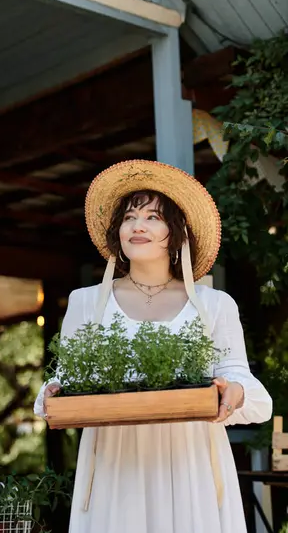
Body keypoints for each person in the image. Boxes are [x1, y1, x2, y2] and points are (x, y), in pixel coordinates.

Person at [34, 160, 272, 533]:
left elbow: (241, 381)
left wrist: (234, 392)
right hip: (116, 461)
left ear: (176, 233)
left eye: (153, 217)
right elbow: (65, 381)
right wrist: (53, 392)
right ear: (118, 232)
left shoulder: (214, 304)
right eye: (129, 217)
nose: (138, 225)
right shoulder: (85, 302)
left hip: (191, 460)